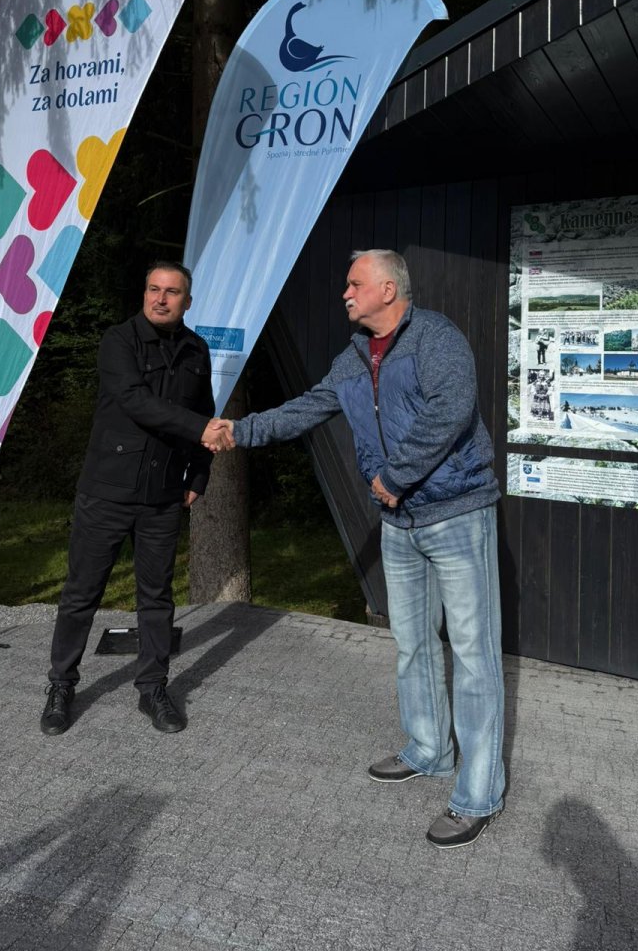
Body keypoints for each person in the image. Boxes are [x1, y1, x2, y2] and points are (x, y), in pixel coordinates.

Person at [206, 250, 505, 849]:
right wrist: (241, 431)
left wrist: (395, 475)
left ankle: (478, 794)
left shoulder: (436, 338)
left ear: (388, 289)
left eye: (354, 283)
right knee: (413, 644)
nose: (345, 293)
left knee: (474, 655)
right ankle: (429, 748)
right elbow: (308, 408)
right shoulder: (353, 358)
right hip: (399, 523)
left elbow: (451, 411)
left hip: (457, 513)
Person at [41, 261, 225, 737]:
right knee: (81, 594)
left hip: (163, 495)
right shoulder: (118, 341)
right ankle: (61, 685)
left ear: (188, 301)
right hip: (107, 490)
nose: (160, 299)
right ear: (144, 293)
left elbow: (203, 410)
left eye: (171, 292)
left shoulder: (197, 349)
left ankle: (153, 689)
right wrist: (201, 429)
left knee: (157, 598)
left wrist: (198, 473)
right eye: (153, 289)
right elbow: (136, 401)